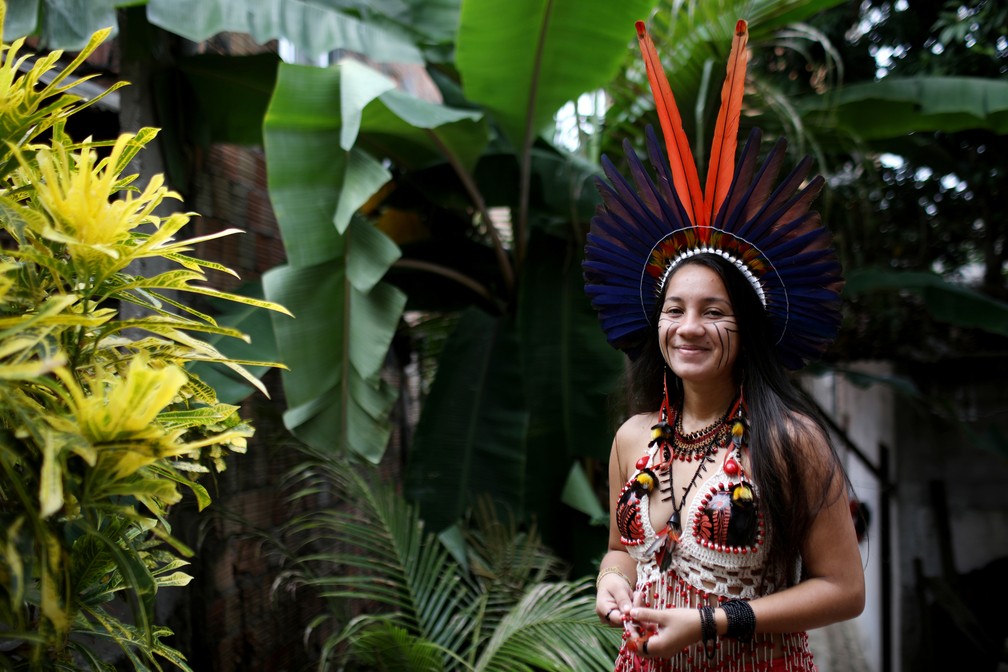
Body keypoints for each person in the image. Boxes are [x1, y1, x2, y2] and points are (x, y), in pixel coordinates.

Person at [582, 18, 865, 672]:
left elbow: (845, 590)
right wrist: (611, 581)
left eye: (714, 311)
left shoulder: (790, 441)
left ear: (747, 326)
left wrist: (714, 621)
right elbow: (622, 549)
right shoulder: (633, 439)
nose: (689, 327)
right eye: (675, 310)